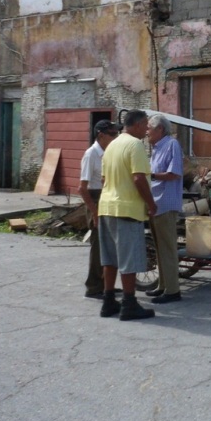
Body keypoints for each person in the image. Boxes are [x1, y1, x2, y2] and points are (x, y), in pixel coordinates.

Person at [97, 110, 157, 321]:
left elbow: (104, 180)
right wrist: (151, 203)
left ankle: (108, 300)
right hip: (127, 209)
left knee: (110, 258)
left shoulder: (111, 145)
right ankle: (129, 303)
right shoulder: (135, 145)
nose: (147, 130)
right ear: (139, 124)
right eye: (146, 126)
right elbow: (139, 178)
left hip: (106, 206)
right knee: (128, 259)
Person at [78, 119, 122, 299]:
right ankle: (94, 286)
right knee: (97, 246)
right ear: (101, 135)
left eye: (116, 133)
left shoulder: (109, 152)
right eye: (112, 134)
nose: (115, 137)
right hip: (94, 198)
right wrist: (94, 213)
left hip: (106, 197)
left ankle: (106, 284)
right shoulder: (91, 154)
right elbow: (82, 188)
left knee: (108, 245)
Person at [145, 114, 184, 304]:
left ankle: (173, 290)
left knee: (168, 249)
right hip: (154, 204)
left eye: (149, 128)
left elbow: (173, 173)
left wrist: (150, 175)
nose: (147, 132)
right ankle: (162, 285)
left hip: (166, 204)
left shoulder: (171, 145)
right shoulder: (155, 148)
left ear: (160, 129)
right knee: (159, 248)